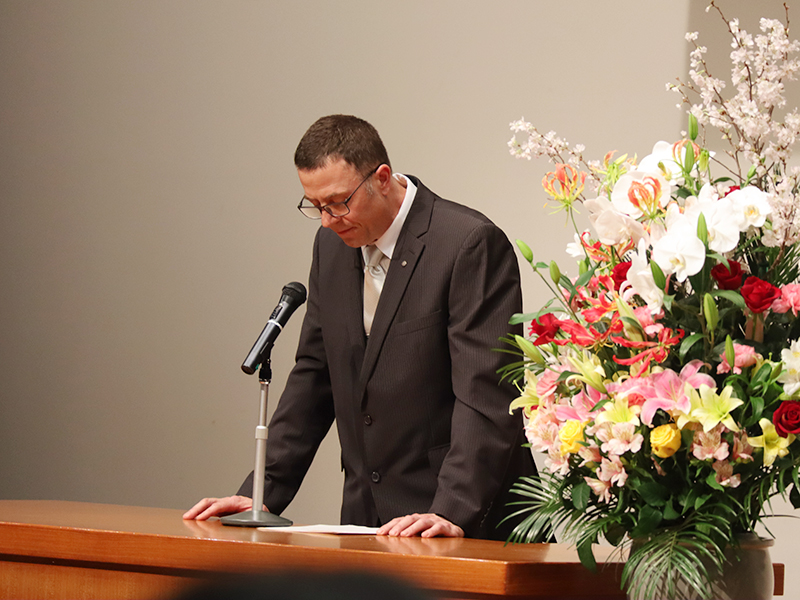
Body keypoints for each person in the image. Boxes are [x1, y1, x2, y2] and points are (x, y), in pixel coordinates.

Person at [184, 115, 535, 539]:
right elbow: (314, 376)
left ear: (382, 178)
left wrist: (451, 510)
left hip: (461, 516)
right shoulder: (331, 246)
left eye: (338, 202)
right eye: (316, 206)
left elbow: (487, 395)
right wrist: (261, 494)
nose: (328, 220)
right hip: (368, 517)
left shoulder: (467, 242)